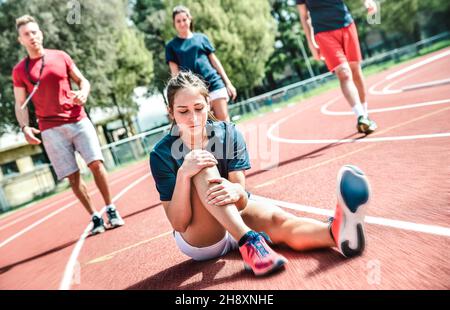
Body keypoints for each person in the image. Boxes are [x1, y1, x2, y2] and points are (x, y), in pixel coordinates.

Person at [149, 71, 371, 276]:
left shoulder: (228, 133)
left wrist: (235, 190)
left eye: (198, 108)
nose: (194, 118)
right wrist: (183, 175)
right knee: (199, 162)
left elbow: (242, 199)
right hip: (201, 238)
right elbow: (179, 223)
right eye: (183, 111)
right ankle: (249, 241)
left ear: (209, 103)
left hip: (233, 211)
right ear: (171, 112)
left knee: (279, 220)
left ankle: (337, 233)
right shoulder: (161, 154)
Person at [12, 15, 124, 235]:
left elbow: (83, 80)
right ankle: (95, 216)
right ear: (20, 40)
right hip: (50, 129)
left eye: (34, 32)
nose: (32, 37)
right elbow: (20, 103)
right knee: (72, 176)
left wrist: (83, 93)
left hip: (78, 119)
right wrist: (25, 127)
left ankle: (111, 209)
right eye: (26, 34)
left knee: (96, 164)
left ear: (41, 33)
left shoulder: (60, 56)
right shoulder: (19, 71)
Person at [297, 0, 378, 134]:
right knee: (344, 73)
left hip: (346, 24)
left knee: (355, 71)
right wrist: (311, 44)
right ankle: (360, 116)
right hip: (323, 33)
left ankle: (365, 114)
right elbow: (304, 16)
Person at [165, 5, 237, 122]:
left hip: (214, 83)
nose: (182, 23)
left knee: (224, 122)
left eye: (184, 19)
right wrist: (178, 95)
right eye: (178, 21)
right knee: (205, 127)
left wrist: (228, 83)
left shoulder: (202, 38)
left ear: (190, 19)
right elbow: (175, 73)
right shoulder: (171, 46)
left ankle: (230, 141)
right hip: (193, 90)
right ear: (174, 23)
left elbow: (215, 61)